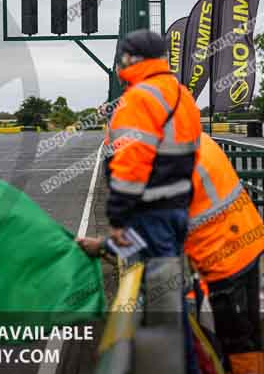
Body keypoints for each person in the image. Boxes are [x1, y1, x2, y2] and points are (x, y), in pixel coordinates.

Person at [79, 133, 264, 373]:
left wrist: (103, 246)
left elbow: (152, 240)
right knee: (245, 335)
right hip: (245, 241)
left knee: (236, 339)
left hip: (224, 260)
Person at [104, 29, 201, 257]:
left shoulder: (138, 98)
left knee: (156, 282)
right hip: (179, 207)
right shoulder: (181, 94)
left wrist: (117, 216)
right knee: (170, 276)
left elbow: (131, 162)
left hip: (148, 210)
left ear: (131, 59)